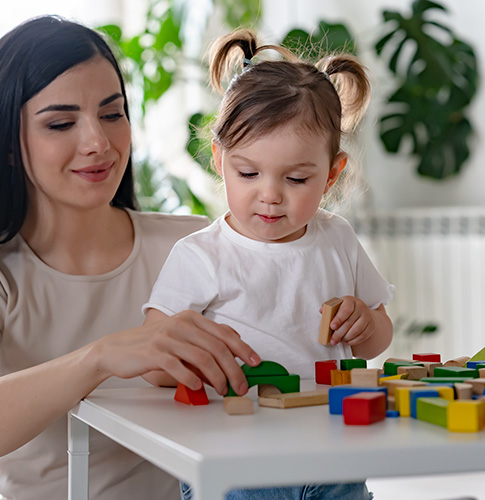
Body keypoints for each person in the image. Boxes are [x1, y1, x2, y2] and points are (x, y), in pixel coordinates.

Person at [0, 16, 262, 500]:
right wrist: (102, 356)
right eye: (60, 123)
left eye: (112, 114)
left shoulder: (197, 247)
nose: (98, 143)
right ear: (10, 145)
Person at [142, 29, 394, 500]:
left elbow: (379, 335)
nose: (271, 195)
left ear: (332, 173)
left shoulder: (336, 238)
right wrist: (195, 358)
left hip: (334, 455)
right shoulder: (201, 256)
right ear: (219, 160)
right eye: (248, 173)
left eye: (297, 178)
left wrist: (364, 322)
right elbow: (153, 361)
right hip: (233, 460)